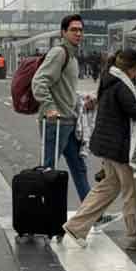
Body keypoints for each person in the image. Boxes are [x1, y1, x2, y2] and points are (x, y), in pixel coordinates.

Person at [61, 48, 136, 249]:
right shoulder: (121, 85)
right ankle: (135, 237)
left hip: (108, 145)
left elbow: (127, 108)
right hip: (121, 147)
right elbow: (134, 112)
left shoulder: (109, 80)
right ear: (132, 68)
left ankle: (75, 226)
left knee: (108, 188)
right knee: (131, 193)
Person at [33, 14, 94, 205]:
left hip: (69, 121)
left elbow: (64, 88)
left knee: (79, 168)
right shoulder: (59, 53)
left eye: (80, 30)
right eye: (73, 30)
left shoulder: (72, 56)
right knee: (48, 171)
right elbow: (39, 82)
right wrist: (50, 107)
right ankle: (40, 216)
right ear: (63, 32)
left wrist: (81, 99)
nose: (78, 33)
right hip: (55, 122)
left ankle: (91, 213)